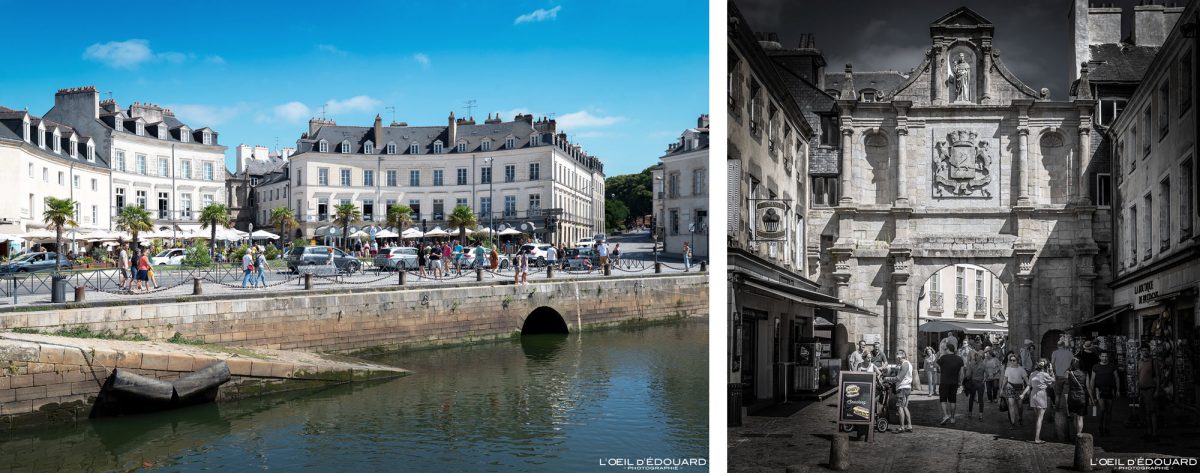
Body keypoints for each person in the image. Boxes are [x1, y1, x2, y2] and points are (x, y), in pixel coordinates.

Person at [1022, 359, 1056, 444]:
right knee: (1040, 418)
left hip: (1033, 395)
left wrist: (1023, 394)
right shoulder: (1045, 375)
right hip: (1041, 395)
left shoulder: (1033, 374)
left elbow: (1029, 385)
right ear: (1045, 366)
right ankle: (1037, 438)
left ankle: (1037, 435)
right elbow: (1053, 381)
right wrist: (1051, 371)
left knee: (1037, 417)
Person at [1089, 350, 1121, 436]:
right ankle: (1100, 427)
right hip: (1099, 391)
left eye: (1106, 356)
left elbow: (1117, 377)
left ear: (1108, 357)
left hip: (1110, 390)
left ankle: (1107, 428)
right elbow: (1092, 380)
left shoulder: (1112, 366)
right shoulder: (1095, 366)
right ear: (1100, 357)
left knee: (1109, 411)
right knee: (1102, 410)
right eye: (1103, 356)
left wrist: (1118, 390)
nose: (1104, 358)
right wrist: (1091, 393)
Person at [885, 349, 914, 433]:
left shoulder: (905, 365)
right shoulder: (906, 364)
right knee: (905, 406)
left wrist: (887, 379)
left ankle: (902, 427)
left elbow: (899, 378)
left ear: (900, 357)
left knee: (900, 407)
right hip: (906, 387)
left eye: (897, 358)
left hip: (903, 388)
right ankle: (909, 426)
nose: (896, 360)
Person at [936, 343, 965, 425]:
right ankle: (952, 418)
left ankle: (945, 415)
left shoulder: (943, 358)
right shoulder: (959, 359)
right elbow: (962, 373)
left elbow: (935, 365)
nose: (945, 351)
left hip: (944, 382)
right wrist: (961, 383)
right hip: (954, 383)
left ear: (948, 349)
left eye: (945, 349)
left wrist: (937, 356)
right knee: (953, 401)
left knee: (943, 400)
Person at [1135, 346, 1160, 439]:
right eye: (1143, 350)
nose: (1144, 352)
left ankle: (1154, 433)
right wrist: (1137, 391)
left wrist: (1157, 390)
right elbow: (1138, 377)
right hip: (1142, 390)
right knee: (1145, 412)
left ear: (1149, 351)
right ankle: (1148, 432)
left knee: (1152, 411)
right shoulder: (1139, 362)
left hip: (1150, 389)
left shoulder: (1153, 361)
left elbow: (1157, 376)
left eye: (1146, 350)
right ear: (1140, 351)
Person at [1065, 357, 1090, 440]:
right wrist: (1092, 399)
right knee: (1080, 417)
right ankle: (1079, 434)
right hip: (1082, 397)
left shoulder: (1069, 373)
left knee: (1075, 416)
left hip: (1072, 396)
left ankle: (1076, 433)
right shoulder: (1085, 373)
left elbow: (1066, 383)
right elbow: (1088, 387)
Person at [1003, 352, 1030, 428]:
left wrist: (1028, 389)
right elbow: (1005, 379)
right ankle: (1013, 423)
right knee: (1011, 405)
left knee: (1020, 405)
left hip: (1019, 388)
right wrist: (1002, 389)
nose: (1012, 362)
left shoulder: (1021, 369)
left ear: (1017, 361)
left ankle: (1020, 418)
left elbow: (1027, 380)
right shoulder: (1008, 369)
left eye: (1014, 360)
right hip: (1010, 387)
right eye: (1011, 360)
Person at [1051, 339, 1073, 411]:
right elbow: (1072, 364)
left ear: (1057, 346)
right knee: (1067, 395)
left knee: (1058, 395)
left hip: (1058, 376)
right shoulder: (1069, 353)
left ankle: (1057, 410)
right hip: (1067, 376)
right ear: (1064, 346)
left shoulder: (1054, 353)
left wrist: (1055, 372)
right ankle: (1068, 411)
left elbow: (1053, 364)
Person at [965, 351, 986, 420]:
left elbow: (968, 375)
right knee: (980, 400)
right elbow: (988, 374)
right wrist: (984, 379)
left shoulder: (971, 364)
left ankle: (970, 413)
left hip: (973, 383)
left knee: (971, 398)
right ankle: (981, 415)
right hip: (980, 383)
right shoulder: (984, 364)